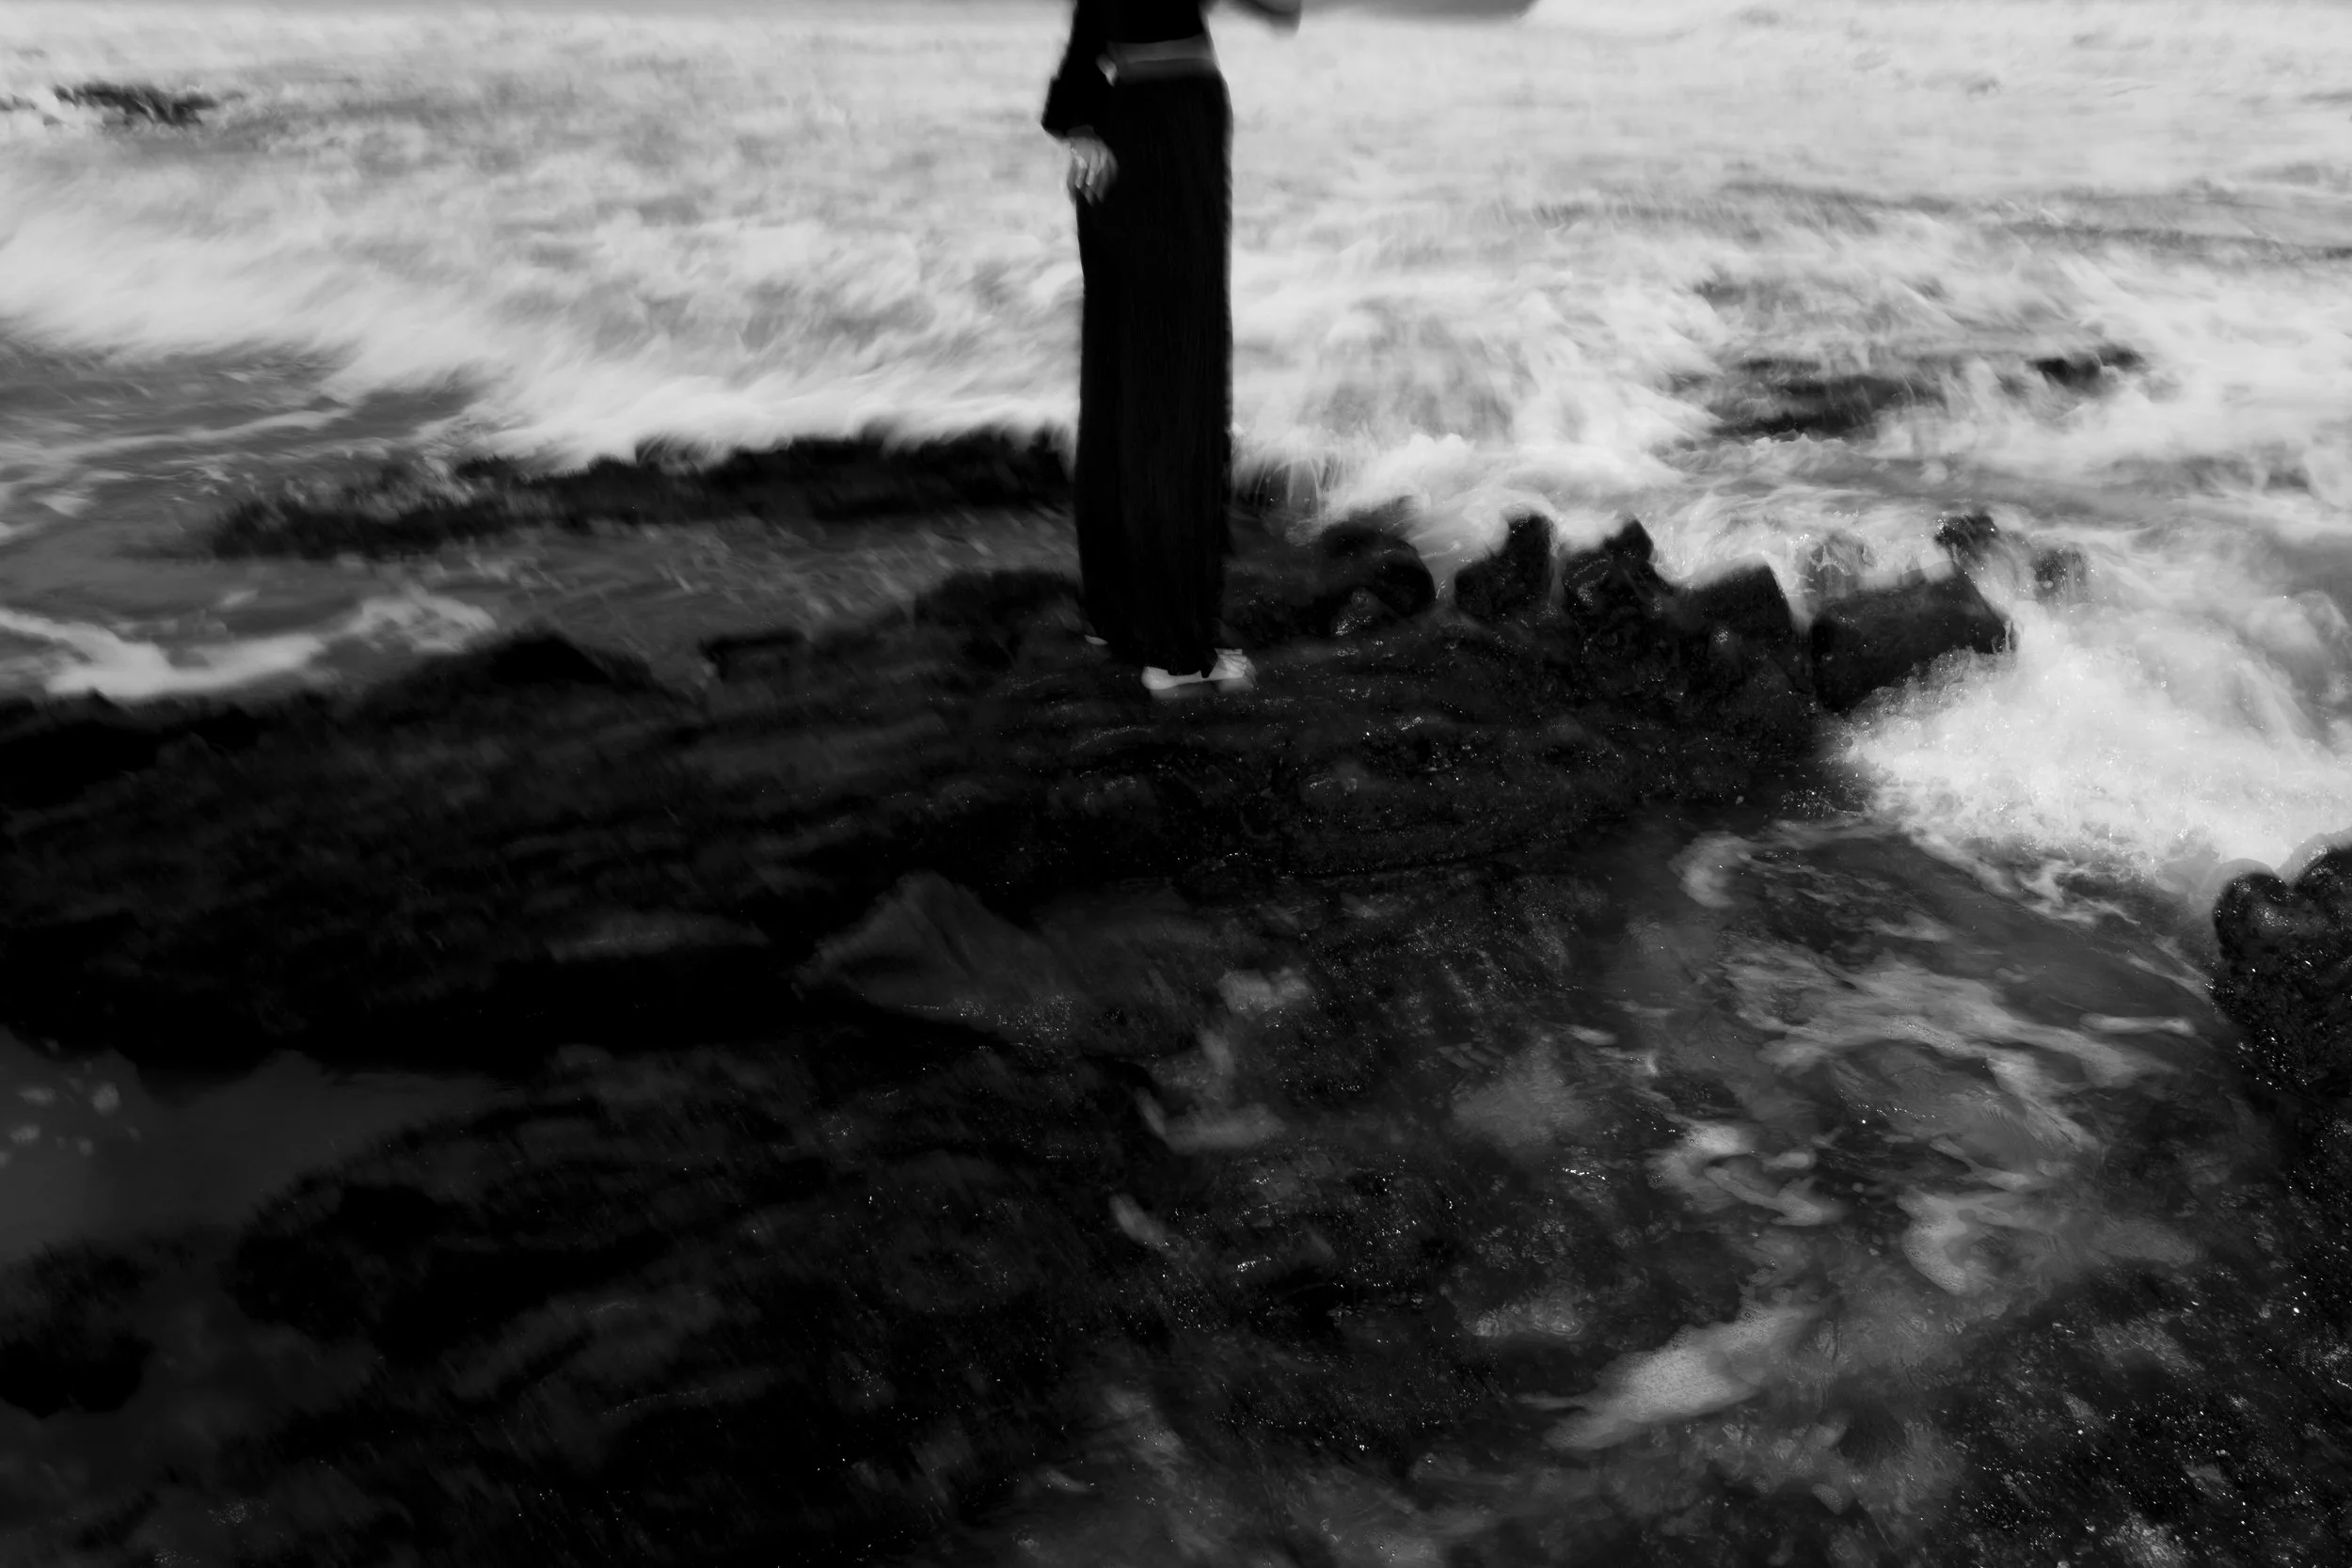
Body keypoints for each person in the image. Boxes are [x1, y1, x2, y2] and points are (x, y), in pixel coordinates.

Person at [1042, 0, 1300, 698]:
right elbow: (1285, 10)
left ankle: (1117, 617)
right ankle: (1178, 653)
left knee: (1120, 384)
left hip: (1116, 145)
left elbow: (1078, 66)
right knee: (1175, 387)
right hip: (1169, 145)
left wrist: (1081, 128)